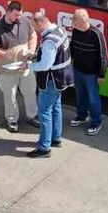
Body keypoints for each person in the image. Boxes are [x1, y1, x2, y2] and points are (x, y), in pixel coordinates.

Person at [27, 10, 73, 158]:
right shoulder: (60, 30)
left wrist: (29, 65)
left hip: (50, 80)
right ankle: (56, 138)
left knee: (44, 112)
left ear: (40, 23)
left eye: (35, 26)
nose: (35, 29)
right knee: (56, 107)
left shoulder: (49, 42)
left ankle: (44, 148)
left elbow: (45, 65)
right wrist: (37, 54)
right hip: (62, 78)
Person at [0, 1, 38, 133]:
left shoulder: (25, 22)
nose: (19, 18)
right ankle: (11, 120)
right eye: (16, 15)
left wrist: (31, 51)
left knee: (30, 91)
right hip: (7, 69)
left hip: (25, 66)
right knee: (10, 95)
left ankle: (32, 115)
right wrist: (4, 55)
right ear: (8, 11)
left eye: (20, 14)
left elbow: (33, 36)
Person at [69, 9, 108, 136]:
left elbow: (103, 56)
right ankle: (82, 116)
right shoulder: (75, 31)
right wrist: (68, 62)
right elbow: (72, 48)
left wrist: (102, 74)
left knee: (93, 98)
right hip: (78, 69)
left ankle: (96, 122)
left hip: (91, 73)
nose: (72, 21)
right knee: (80, 95)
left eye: (74, 19)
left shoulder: (96, 34)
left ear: (82, 21)